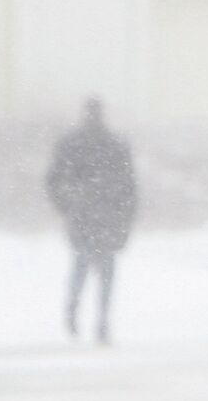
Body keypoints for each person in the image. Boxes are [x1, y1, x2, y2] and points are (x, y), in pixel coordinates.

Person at [45, 98, 138, 346]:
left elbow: (53, 179)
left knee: (83, 264)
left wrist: (65, 205)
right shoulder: (115, 145)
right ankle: (100, 319)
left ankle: (77, 311)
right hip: (105, 217)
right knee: (103, 270)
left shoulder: (73, 144)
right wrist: (125, 216)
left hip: (84, 215)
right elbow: (130, 188)